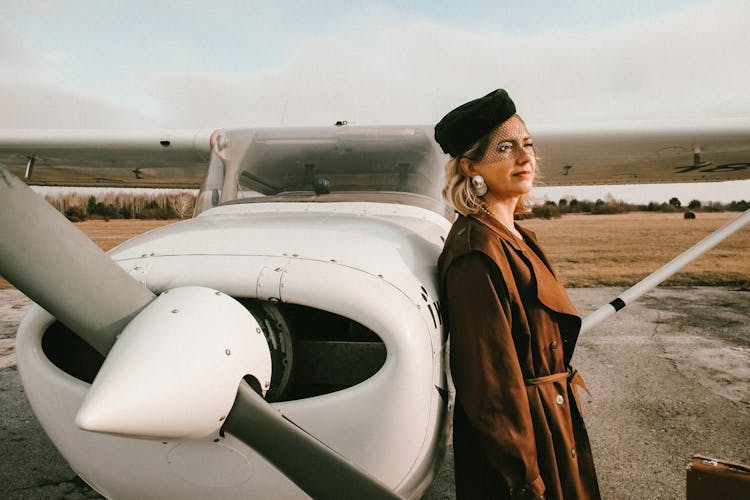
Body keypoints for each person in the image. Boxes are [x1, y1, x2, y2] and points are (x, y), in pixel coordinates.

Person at [435, 89, 600, 500]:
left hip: (551, 422)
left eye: (527, 145)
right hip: (524, 441)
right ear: (470, 165)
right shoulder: (477, 251)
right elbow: (489, 384)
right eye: (505, 148)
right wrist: (524, 478)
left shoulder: (518, 236)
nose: (525, 158)